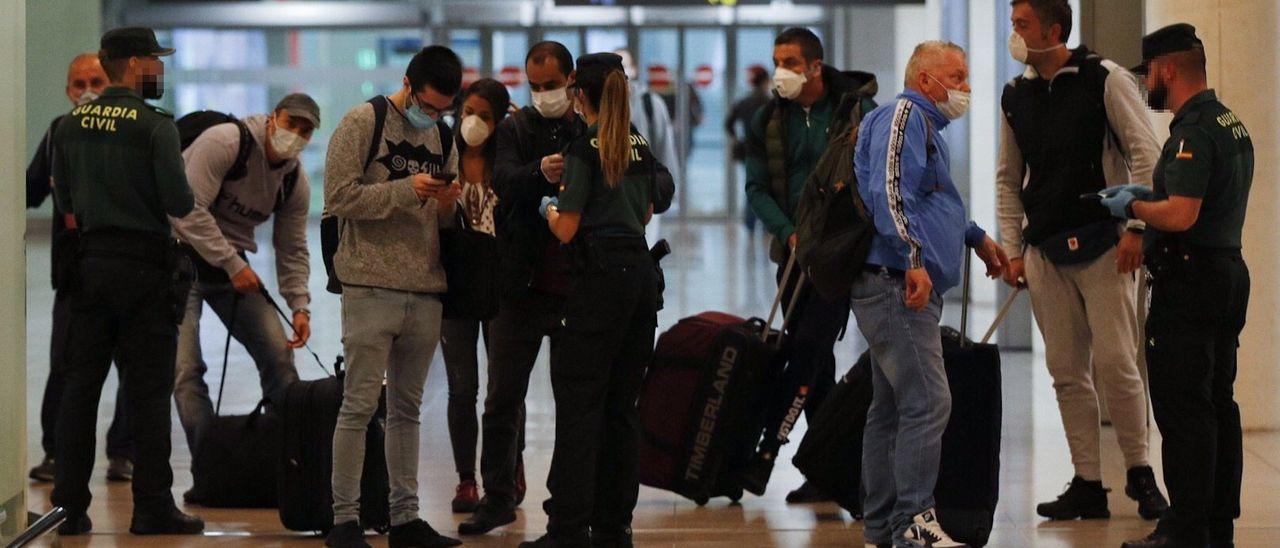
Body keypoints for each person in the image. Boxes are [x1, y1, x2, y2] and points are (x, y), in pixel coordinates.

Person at [995, 0, 1169, 521]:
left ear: (1053, 29)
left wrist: (1137, 226)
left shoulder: (1105, 78)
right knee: (1066, 372)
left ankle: (1140, 472)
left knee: (1117, 363)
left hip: (1107, 243)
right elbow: (1008, 177)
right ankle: (1088, 482)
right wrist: (1012, 250)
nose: (1016, 34)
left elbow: (1146, 153)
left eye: (1022, 25)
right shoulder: (1015, 94)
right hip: (1044, 249)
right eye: (1012, 25)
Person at [49, 27, 203, 536]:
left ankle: (69, 508)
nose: (159, 69)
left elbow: (65, 202)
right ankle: (152, 507)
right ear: (135, 64)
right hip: (143, 270)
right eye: (155, 61)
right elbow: (179, 203)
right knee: (149, 392)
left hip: (89, 266)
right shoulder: (155, 126)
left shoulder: (70, 125)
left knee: (79, 389)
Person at [853, 41, 1008, 548]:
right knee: (928, 401)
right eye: (957, 76)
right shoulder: (904, 116)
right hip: (898, 283)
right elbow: (889, 191)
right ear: (926, 81)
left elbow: (929, 197)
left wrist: (976, 237)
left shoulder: (926, 126)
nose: (965, 87)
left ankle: (882, 525)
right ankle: (913, 522)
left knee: (893, 408)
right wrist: (914, 257)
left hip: (900, 281)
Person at [1109, 24, 1253, 548]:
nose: (1147, 81)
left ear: (1167, 71)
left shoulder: (1191, 132)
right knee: (1218, 406)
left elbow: (1182, 213)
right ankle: (1216, 525)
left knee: (1184, 411)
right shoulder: (1229, 121)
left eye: (1148, 72)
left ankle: (1185, 529)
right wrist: (1149, 193)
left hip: (1191, 282)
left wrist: (1133, 206)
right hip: (1226, 274)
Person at [323, 45, 464, 548]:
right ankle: (344, 519)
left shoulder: (444, 135)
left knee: (408, 409)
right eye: (426, 105)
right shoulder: (365, 122)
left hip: (425, 286)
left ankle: (405, 519)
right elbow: (338, 197)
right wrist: (408, 189)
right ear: (408, 84)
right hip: (369, 283)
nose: (432, 117)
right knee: (359, 406)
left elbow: (444, 219)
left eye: (443, 109)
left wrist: (448, 202)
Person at [523, 51, 665, 548]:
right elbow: (647, 213)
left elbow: (566, 228)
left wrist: (546, 206)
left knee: (580, 404)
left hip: (599, 279)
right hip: (641, 279)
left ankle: (566, 530)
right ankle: (613, 527)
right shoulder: (639, 144)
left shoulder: (585, 148)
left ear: (579, 95)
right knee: (622, 407)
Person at [742, 27, 879, 503]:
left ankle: (769, 450)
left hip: (842, 256)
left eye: (791, 61)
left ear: (816, 66)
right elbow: (756, 188)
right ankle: (831, 472)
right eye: (777, 60)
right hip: (794, 257)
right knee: (815, 366)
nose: (781, 70)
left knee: (807, 350)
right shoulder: (768, 120)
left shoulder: (857, 113)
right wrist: (789, 232)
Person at [460, 41, 583, 536]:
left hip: (575, 286)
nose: (543, 94)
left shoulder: (589, 128)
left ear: (571, 81)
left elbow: (651, 180)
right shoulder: (516, 128)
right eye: (535, 86)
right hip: (520, 285)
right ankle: (498, 496)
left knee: (574, 399)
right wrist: (540, 172)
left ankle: (570, 499)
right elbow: (506, 179)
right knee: (501, 398)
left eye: (552, 85)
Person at [170, 93, 319, 501]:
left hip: (232, 269)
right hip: (179, 260)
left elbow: (292, 247)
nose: (296, 134)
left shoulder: (293, 180)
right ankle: (212, 471)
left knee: (278, 357)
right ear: (273, 118)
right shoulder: (225, 142)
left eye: (306, 130)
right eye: (292, 123)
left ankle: (287, 469)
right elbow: (186, 210)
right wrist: (234, 266)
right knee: (185, 369)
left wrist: (299, 305)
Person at [26, 52, 134, 484]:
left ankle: (122, 454)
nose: (87, 90)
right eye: (78, 84)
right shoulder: (58, 134)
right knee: (65, 366)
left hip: (129, 272)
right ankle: (56, 454)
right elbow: (29, 190)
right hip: (74, 276)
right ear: (68, 91)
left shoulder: (133, 132)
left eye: (96, 81)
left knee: (131, 366)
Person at [440, 77, 511, 514]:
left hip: (501, 284)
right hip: (456, 284)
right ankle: (467, 479)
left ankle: (507, 469)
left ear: (500, 120)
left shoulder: (510, 161)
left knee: (504, 389)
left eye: (485, 116)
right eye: (469, 112)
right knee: (461, 386)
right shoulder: (441, 156)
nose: (475, 122)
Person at [615, 48, 680, 246]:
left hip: (645, 193)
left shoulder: (651, 103)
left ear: (634, 69)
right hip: (612, 196)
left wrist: (668, 188)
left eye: (625, 66)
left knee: (645, 249)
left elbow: (665, 147)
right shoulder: (601, 104)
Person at [725, 64, 770, 232]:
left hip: (748, 150)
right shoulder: (769, 102)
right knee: (766, 188)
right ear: (765, 82)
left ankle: (750, 223)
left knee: (752, 186)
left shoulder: (744, 102)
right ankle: (766, 223)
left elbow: (728, 124)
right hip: (766, 151)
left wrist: (737, 139)